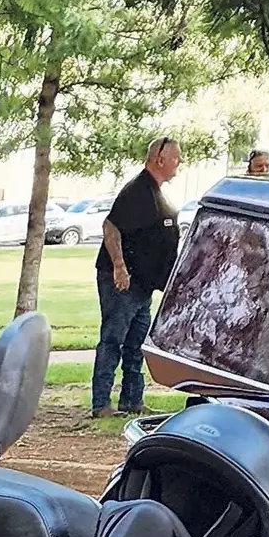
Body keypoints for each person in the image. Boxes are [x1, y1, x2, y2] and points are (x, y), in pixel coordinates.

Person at [93, 136, 182, 418]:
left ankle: (132, 399)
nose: (178, 163)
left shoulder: (156, 192)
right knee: (113, 339)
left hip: (143, 284)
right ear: (160, 159)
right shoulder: (138, 191)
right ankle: (101, 404)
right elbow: (111, 226)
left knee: (136, 343)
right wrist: (119, 266)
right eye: (176, 158)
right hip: (123, 282)